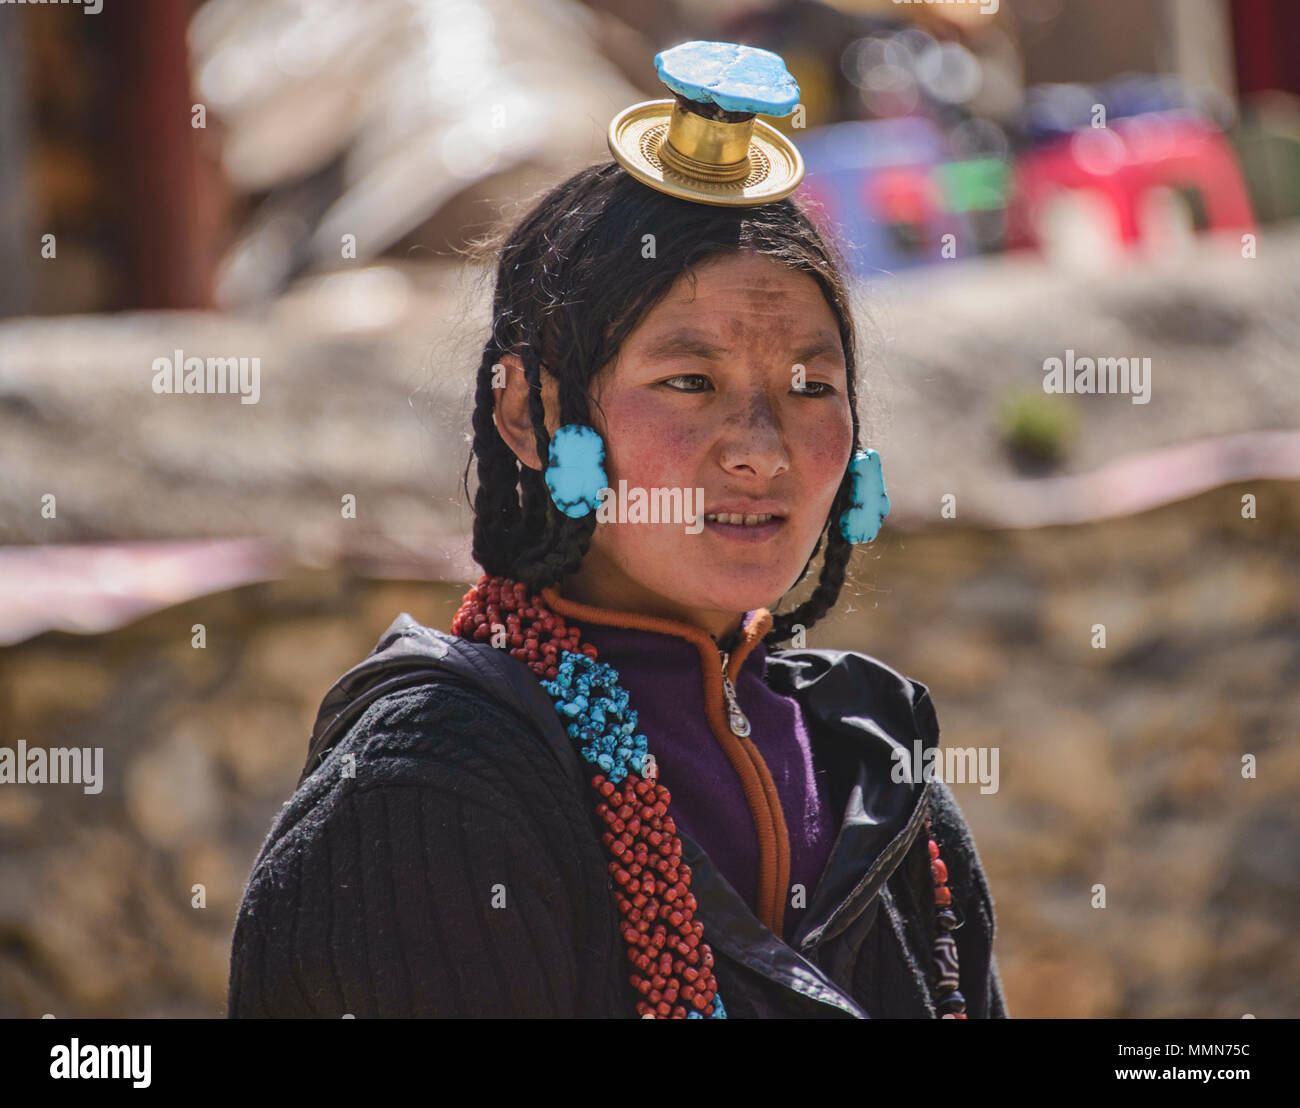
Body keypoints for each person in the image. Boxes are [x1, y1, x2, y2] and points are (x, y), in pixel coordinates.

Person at [227, 40, 1006, 1019]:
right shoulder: (425, 793)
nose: (761, 450)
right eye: (689, 383)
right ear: (529, 415)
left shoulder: (884, 786)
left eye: (811, 386)